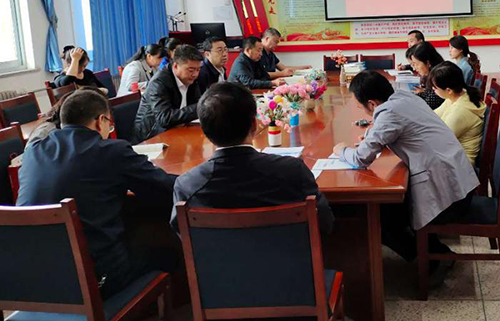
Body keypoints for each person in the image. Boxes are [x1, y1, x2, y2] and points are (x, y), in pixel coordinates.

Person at [17, 89, 178, 321]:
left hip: (32, 277)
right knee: (168, 247)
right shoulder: (110, 151)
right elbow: (164, 188)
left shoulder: (34, 151)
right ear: (101, 121)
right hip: (91, 278)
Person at [332, 71, 478, 263]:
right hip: (460, 181)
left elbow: (360, 158)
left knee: (379, 218)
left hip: (449, 194)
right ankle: (437, 254)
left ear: (372, 104)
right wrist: (371, 135)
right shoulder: (405, 98)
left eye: (361, 106)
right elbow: (390, 127)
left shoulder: (389, 113)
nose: (362, 110)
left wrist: (341, 150)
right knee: (389, 210)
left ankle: (433, 261)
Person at [173, 82, 333, 233]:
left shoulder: (188, 185)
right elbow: (324, 223)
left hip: (218, 254)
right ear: (254, 125)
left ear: (204, 131)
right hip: (287, 253)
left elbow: (183, 233)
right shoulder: (292, 171)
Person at [132, 44, 204, 143]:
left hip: (178, 132)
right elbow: (164, 118)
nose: (195, 74)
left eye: (198, 69)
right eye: (191, 70)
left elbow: (196, 103)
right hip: (151, 138)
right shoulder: (159, 82)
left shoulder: (190, 79)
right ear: (175, 66)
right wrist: (201, 107)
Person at [430, 62, 486, 166]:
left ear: (448, 90)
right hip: (451, 156)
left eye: (435, 88)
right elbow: (432, 116)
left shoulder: (460, 111)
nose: (433, 90)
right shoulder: (458, 95)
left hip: (460, 164)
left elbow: (440, 141)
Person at [409, 41, 445, 110]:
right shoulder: (431, 75)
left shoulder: (439, 78)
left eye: (416, 64)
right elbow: (428, 93)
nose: (414, 68)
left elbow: (427, 106)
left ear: (428, 63)